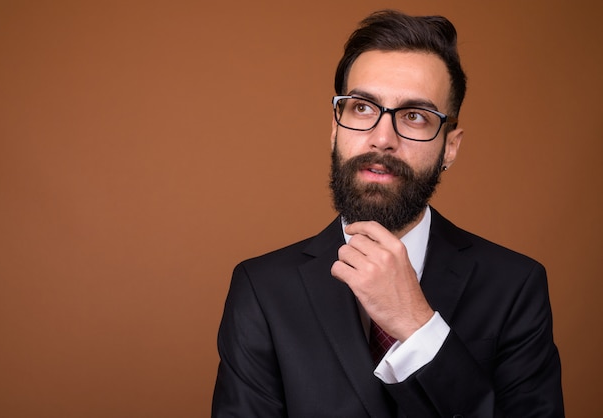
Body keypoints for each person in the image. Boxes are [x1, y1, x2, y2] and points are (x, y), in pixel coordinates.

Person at [212, 9, 564, 418]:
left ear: (450, 146)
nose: (382, 139)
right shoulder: (261, 288)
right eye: (362, 108)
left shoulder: (516, 286)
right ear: (335, 127)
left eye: (415, 116)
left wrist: (418, 327)